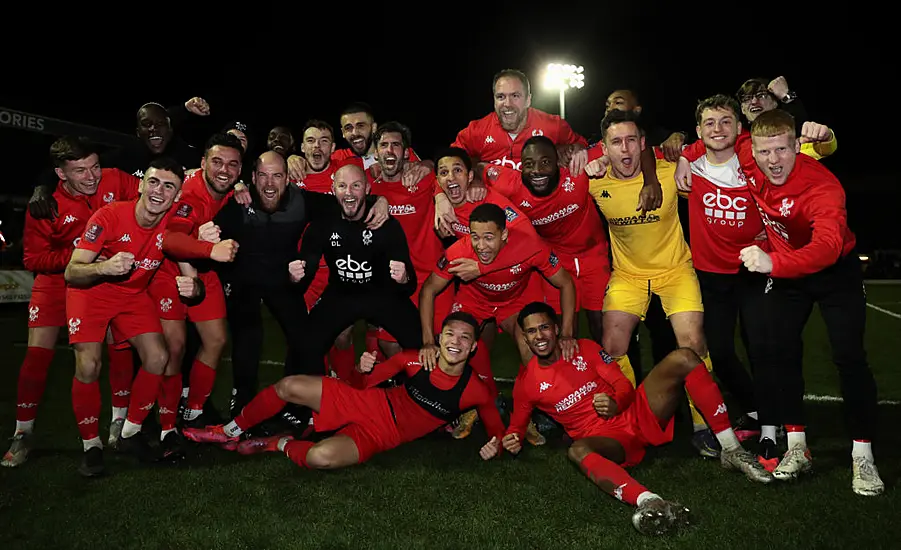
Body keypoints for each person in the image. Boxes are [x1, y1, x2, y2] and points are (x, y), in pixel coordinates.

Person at [480, 302, 773, 536]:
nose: (539, 336)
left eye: (544, 327)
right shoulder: (527, 383)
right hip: (608, 441)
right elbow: (516, 429)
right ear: (524, 337)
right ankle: (648, 501)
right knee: (577, 450)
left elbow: (623, 387)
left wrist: (614, 402)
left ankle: (731, 450)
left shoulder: (584, 347)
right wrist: (506, 442)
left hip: (636, 414)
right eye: (531, 331)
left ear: (556, 329)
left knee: (685, 356)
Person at [726, 109, 882, 496]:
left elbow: (827, 249)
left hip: (834, 273)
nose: (773, 161)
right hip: (787, 274)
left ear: (798, 146)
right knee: (780, 352)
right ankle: (797, 446)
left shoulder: (822, 187)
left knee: (849, 357)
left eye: (782, 149)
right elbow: (721, 132)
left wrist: (772, 262)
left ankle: (863, 456)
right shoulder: (750, 155)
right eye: (765, 152)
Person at [183, 312, 505, 470]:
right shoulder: (413, 361)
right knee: (288, 385)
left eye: (465, 338)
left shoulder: (474, 391)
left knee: (320, 457)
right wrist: (362, 370)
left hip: (384, 436)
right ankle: (229, 430)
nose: (456, 343)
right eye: (450, 334)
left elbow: (498, 434)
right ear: (439, 337)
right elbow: (360, 386)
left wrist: (498, 447)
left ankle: (276, 443)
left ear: (475, 346)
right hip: (369, 402)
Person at [211, 151, 388, 418]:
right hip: (244, 280)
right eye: (263, 176)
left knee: (304, 339)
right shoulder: (239, 203)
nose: (270, 184)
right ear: (252, 178)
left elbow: (345, 203)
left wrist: (379, 200)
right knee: (248, 337)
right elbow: (209, 235)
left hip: (282, 280)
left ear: (288, 180)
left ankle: (304, 406)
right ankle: (243, 401)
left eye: (277, 176)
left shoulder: (301, 201)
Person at [587, 109, 720, 457]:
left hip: (675, 269)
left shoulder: (669, 173)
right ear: (605, 148)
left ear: (644, 143)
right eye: (616, 142)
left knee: (692, 342)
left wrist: (684, 149)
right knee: (612, 345)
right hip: (628, 275)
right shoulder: (594, 182)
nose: (625, 148)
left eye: (632, 140)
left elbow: (711, 178)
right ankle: (629, 418)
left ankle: (704, 425)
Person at [2, 137, 141, 467]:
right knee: (37, 356)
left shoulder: (115, 179)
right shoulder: (46, 205)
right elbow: (33, 258)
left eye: (94, 167)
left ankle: (118, 423)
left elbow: (154, 192)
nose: (92, 177)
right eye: (80, 171)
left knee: (116, 346)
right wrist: (81, 255)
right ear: (60, 174)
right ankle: (22, 433)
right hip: (55, 284)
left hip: (101, 283)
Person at [63, 157, 189, 476]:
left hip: (132, 295)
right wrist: (104, 267)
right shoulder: (109, 215)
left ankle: (129, 432)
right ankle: (91, 446)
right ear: (142, 184)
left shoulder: (174, 224)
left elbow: (193, 264)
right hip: (91, 291)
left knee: (158, 356)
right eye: (154, 181)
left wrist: (195, 281)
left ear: (177, 196)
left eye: (169, 186)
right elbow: (72, 272)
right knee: (89, 364)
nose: (159, 190)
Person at [418, 202, 577, 443]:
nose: (481, 246)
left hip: (515, 302)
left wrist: (566, 333)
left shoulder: (530, 246)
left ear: (504, 234)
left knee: (531, 348)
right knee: (456, 344)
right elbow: (428, 290)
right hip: (474, 301)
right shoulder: (458, 252)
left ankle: (528, 412)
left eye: (489, 237)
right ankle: (471, 405)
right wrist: (429, 341)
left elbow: (565, 283)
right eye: (475, 237)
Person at [290, 163, 422, 371]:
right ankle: (316, 396)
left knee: (420, 344)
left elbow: (410, 284)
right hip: (341, 294)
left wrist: (404, 278)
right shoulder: (321, 225)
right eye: (342, 186)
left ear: (368, 189)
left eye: (356, 186)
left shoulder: (386, 224)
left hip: (382, 295)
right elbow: (304, 277)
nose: (349, 193)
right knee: (303, 350)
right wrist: (295, 278)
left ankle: (412, 393)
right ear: (333, 190)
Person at [367, 122, 454, 359]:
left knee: (448, 344)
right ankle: (402, 392)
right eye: (383, 145)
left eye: (396, 145)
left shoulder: (424, 178)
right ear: (376, 153)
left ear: (406, 152)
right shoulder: (367, 184)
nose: (389, 150)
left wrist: (438, 189)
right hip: (394, 281)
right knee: (391, 345)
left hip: (433, 278)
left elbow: (451, 174)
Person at [452, 69, 588, 174]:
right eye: (501, 97)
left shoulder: (552, 125)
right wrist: (474, 175)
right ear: (494, 100)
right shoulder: (477, 130)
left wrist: (577, 149)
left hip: (540, 206)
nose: (507, 104)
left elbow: (580, 144)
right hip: (497, 207)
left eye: (515, 96)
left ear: (528, 100)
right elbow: (449, 161)